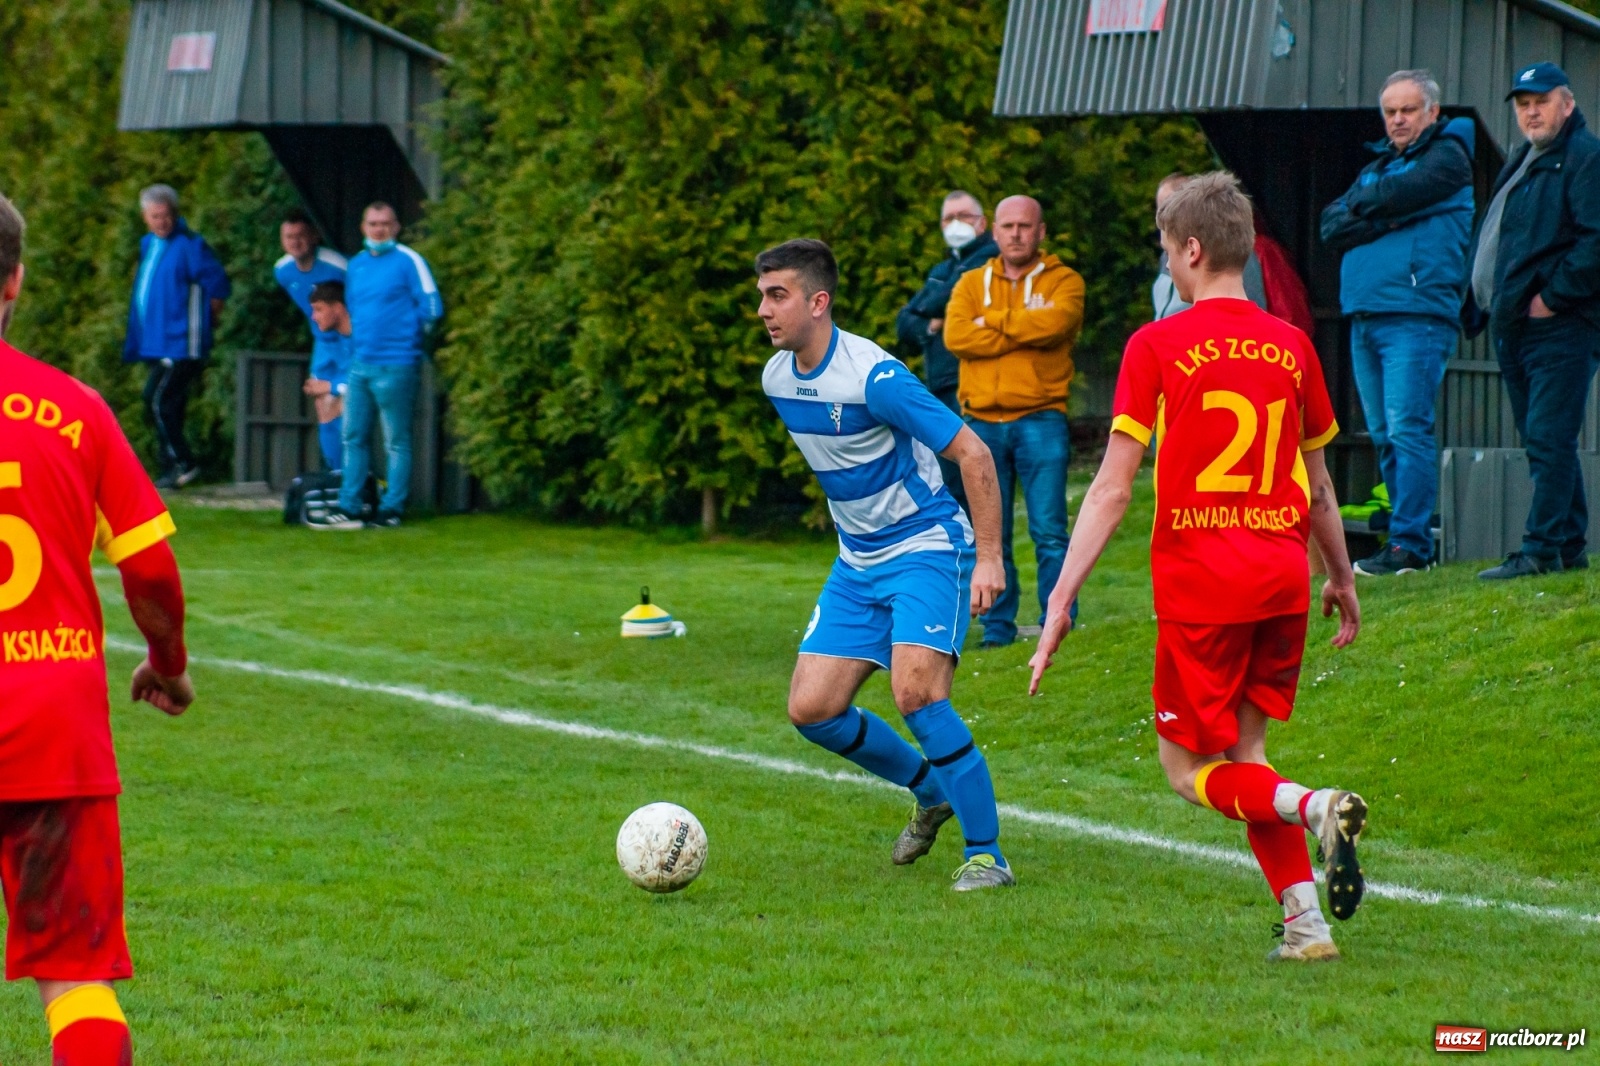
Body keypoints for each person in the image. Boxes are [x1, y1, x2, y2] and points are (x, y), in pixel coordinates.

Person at [1028, 173, 1369, 962]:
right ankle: (1305, 927)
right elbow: (1319, 487)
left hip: (1204, 587)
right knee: (1245, 755)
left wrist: (1061, 597)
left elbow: (1113, 487)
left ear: (1190, 249)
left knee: (1187, 769)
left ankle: (1314, 806)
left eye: (1165, 251)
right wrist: (1343, 579)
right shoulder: (1292, 344)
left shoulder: (1157, 344)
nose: (1167, 266)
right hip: (1282, 576)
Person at [0, 192, 195, 1064]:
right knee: (75, 975)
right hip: (52, 724)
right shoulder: (73, 409)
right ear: (16, 281)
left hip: (50, 728)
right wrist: (167, 663)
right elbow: (148, 567)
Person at [757, 238, 1014, 891]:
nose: (763, 309)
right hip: (857, 561)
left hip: (927, 544)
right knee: (812, 710)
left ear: (819, 302)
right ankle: (933, 792)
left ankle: (987, 855)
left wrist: (988, 559)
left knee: (917, 693)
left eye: (777, 294)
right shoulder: (777, 377)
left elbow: (975, 455)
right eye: (761, 295)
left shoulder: (875, 377)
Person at [1321, 70, 1476, 577]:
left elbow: (1402, 193)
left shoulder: (1448, 157)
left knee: (1408, 429)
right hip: (1366, 314)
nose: (1398, 120)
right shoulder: (1378, 167)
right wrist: (1386, 211)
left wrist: (1372, 206)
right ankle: (1402, 543)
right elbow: (1331, 223)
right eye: (1390, 111)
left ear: (1432, 112)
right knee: (1385, 432)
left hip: (1415, 314)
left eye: (1408, 110)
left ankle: (1411, 547)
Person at [1468, 63, 1600, 579]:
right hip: (1517, 326)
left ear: (1567, 104)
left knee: (1548, 435)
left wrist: (1551, 297)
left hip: (1560, 325)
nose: (1531, 111)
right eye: (1523, 103)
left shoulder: (1585, 157)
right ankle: (1568, 545)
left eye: (1541, 100)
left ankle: (1540, 549)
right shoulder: (1528, 157)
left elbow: (1595, 242)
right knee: (1544, 438)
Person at [943, 195, 1084, 647]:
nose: (1016, 234)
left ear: (1041, 232)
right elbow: (957, 336)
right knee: (991, 534)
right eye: (1007, 226)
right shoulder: (968, 282)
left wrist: (993, 322)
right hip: (980, 424)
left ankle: (1058, 620)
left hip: (1041, 419)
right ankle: (998, 629)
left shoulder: (1065, 281)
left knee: (1049, 530)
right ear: (995, 232)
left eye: (1025, 226)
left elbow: (1056, 325)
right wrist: (1023, 327)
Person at [312, 202, 442, 530]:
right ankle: (350, 507)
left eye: (385, 224)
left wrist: (409, 341)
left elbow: (431, 306)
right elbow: (354, 307)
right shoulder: (356, 266)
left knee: (396, 440)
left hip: (397, 365)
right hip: (361, 364)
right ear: (363, 228)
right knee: (353, 435)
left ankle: (392, 509)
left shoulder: (409, 260)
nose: (379, 229)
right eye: (373, 224)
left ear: (396, 227)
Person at [895, 190, 1000, 508]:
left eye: (963, 217)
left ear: (982, 222)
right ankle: (966, 554)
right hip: (939, 384)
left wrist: (932, 306)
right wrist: (931, 325)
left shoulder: (990, 258)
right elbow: (904, 321)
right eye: (948, 218)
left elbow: (949, 298)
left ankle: (989, 555)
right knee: (951, 481)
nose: (955, 224)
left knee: (975, 476)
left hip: (969, 383)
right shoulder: (942, 270)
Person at [122, 184, 230, 489]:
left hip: (182, 341)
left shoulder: (190, 245)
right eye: (155, 216)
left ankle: (184, 463)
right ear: (145, 217)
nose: (161, 222)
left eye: (166, 216)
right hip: (157, 341)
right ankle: (170, 468)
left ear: (175, 214)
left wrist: (210, 320)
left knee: (159, 400)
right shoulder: (149, 244)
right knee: (162, 402)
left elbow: (218, 284)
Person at [1154, 176, 1314, 336]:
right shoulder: (1166, 256)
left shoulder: (1260, 249)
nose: (1161, 220)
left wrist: (1279, 347)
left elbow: (1291, 313)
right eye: (1160, 209)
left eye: (1169, 209)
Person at [273, 210, 349, 469]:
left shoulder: (337, 266)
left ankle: (355, 477)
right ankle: (335, 473)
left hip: (348, 342)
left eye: (300, 236)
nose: (295, 242)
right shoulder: (282, 271)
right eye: (289, 236)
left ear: (314, 237)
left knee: (349, 405)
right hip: (323, 344)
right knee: (323, 405)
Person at [305, 281, 355, 469]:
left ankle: (351, 478)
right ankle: (337, 474)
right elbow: (318, 378)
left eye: (319, 309)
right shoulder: (326, 337)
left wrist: (331, 386)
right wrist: (319, 385)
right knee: (324, 401)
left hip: (378, 385)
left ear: (338, 308)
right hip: (349, 387)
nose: (314, 317)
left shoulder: (363, 333)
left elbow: (368, 376)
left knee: (343, 402)